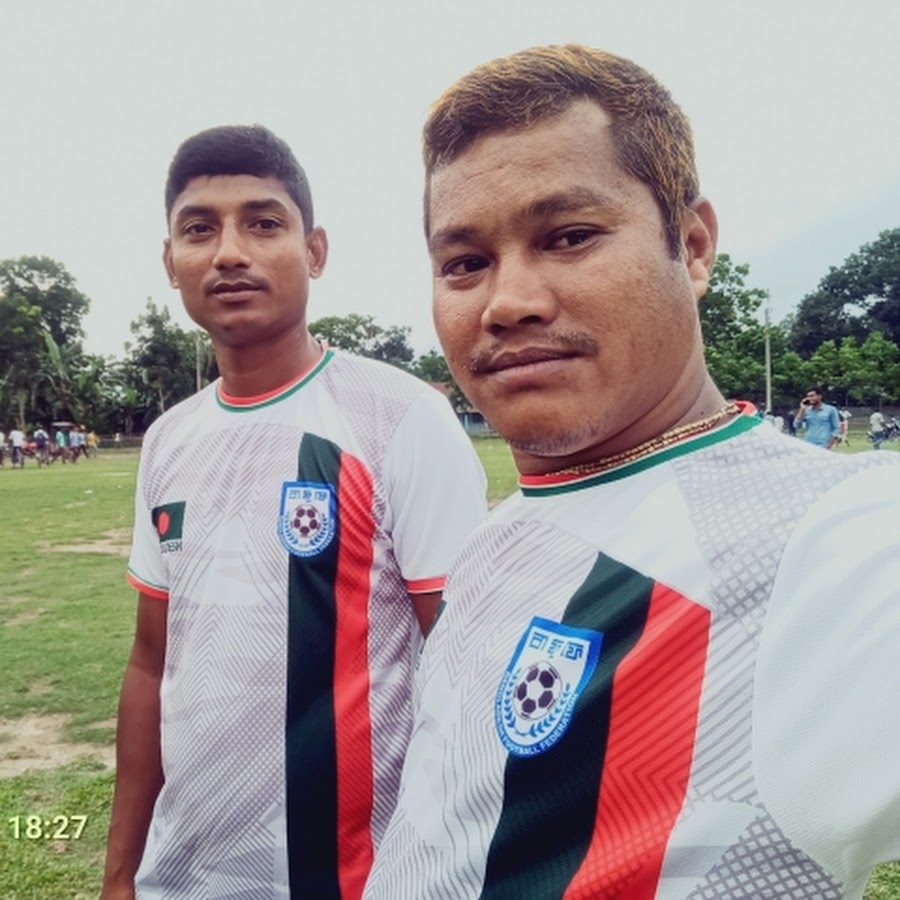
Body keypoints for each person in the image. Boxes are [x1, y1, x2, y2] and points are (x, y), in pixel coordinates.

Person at [362, 45, 900, 900]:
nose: (508, 302)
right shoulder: (500, 535)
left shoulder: (827, 542)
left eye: (570, 237)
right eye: (465, 262)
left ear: (693, 245)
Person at [101, 124, 487, 900]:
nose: (229, 252)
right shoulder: (168, 439)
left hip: (350, 880)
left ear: (314, 251)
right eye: (199, 229)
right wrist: (120, 874)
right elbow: (150, 663)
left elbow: (468, 671)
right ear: (170, 262)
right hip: (183, 875)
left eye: (262, 223)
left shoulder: (399, 418)